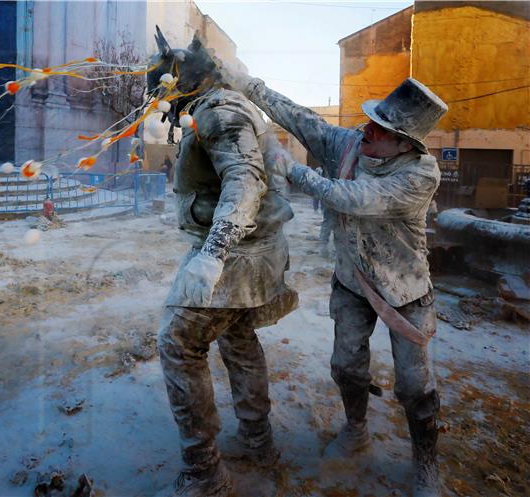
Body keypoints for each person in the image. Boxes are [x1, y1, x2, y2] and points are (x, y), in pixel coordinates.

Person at [215, 58, 448, 497]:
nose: (367, 130)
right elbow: (298, 117)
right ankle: (356, 428)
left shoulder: (419, 175)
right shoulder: (350, 145)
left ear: (404, 145)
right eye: (370, 121)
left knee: (416, 387)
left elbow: (351, 198)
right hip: (353, 281)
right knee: (346, 366)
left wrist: (292, 169)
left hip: (404, 291)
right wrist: (245, 83)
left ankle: (426, 464)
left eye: (380, 130)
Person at [150, 28, 297, 497]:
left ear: (185, 81)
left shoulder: (219, 110)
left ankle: (204, 473)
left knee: (178, 341)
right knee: (237, 334)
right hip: (252, 250)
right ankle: (258, 440)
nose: (161, 99)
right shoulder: (220, 106)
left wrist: (212, 255)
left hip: (236, 255)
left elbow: (245, 180)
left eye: (165, 86)